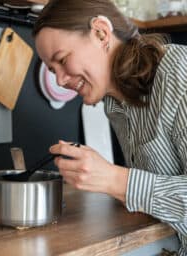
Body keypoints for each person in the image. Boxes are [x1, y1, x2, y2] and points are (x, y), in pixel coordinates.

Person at [33, 0, 187, 255]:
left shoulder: (179, 72)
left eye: (62, 60)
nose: (60, 80)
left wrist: (115, 180)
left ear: (101, 33)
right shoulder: (113, 105)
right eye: (52, 70)